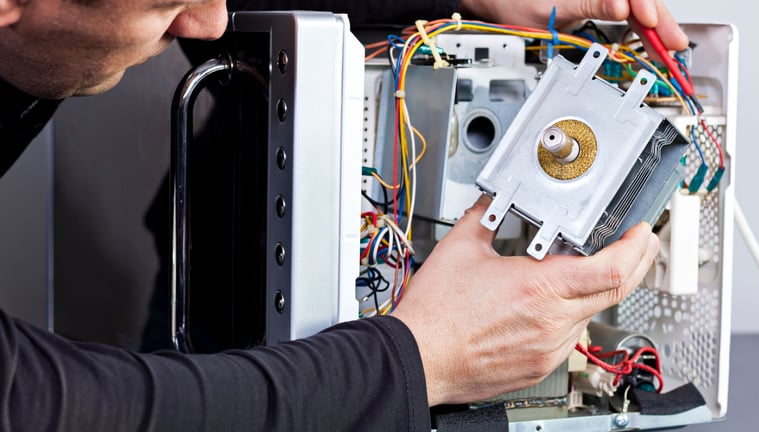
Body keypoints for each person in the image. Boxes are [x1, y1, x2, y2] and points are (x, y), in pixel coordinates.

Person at [0, 0, 681, 429]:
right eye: (166, 1)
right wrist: (422, 360)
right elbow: (46, 406)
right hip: (236, 316)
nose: (213, 22)